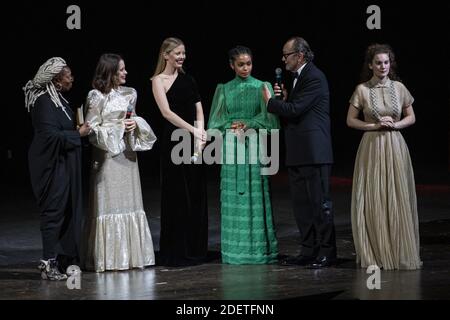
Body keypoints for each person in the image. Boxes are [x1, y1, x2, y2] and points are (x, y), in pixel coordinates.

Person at [262, 36, 336, 268]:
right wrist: (283, 99)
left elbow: (295, 110)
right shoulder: (297, 78)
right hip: (297, 152)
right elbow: (294, 109)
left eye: (287, 55)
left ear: (300, 56)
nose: (283, 59)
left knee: (318, 204)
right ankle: (308, 250)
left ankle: (327, 252)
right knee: (302, 206)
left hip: (314, 153)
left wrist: (270, 102)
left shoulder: (314, 77)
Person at [346, 44, 422, 270]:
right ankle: (377, 252)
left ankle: (397, 250)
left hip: (395, 145)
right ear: (370, 64)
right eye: (378, 62)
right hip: (372, 146)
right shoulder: (362, 89)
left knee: (396, 196)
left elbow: (412, 117)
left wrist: (395, 125)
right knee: (374, 196)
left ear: (391, 64)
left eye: (386, 62)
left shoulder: (399, 87)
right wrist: (374, 125)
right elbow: (350, 120)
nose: (383, 66)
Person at [83, 53, 157, 272]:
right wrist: (117, 128)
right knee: (109, 204)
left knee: (130, 203)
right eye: (121, 70)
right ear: (110, 72)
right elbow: (91, 130)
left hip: (127, 156)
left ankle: (133, 257)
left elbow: (133, 116)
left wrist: (135, 123)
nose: (125, 73)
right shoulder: (96, 96)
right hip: (107, 158)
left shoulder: (130, 93)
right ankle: (108, 259)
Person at [208, 46, 280, 264]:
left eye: (248, 63)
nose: (245, 67)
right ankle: (235, 251)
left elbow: (271, 120)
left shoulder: (262, 87)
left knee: (254, 192)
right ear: (232, 65)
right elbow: (215, 123)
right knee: (234, 196)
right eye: (240, 64)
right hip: (231, 145)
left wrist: (248, 123)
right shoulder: (224, 89)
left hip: (253, 143)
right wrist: (231, 125)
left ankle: (258, 251)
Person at [24, 57, 91, 280]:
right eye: (68, 74)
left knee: (65, 211)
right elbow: (48, 136)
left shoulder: (59, 100)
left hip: (64, 164)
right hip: (50, 165)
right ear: (56, 80)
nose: (72, 77)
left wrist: (77, 130)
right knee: (53, 213)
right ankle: (47, 263)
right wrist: (77, 135)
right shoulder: (43, 102)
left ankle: (61, 260)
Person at [152, 37, 208, 267]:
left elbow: (199, 109)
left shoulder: (189, 79)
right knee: (177, 195)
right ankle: (176, 248)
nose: (181, 57)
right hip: (174, 141)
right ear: (166, 55)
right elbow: (166, 113)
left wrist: (201, 134)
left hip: (194, 141)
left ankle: (195, 248)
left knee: (195, 193)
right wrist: (193, 130)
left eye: (183, 53)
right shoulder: (158, 80)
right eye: (177, 53)